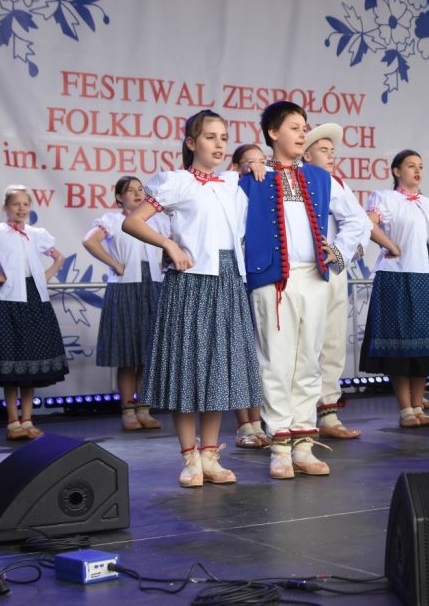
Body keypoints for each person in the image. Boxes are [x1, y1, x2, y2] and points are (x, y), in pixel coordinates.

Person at [123, 109, 262, 487]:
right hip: (191, 281)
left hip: (228, 278)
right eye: (210, 137)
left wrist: (257, 170)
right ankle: (189, 458)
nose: (218, 144)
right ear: (191, 142)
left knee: (219, 368)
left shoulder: (232, 183)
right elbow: (132, 221)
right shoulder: (178, 182)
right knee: (188, 368)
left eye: (223, 137)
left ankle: (211, 454)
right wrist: (169, 243)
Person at [242, 104, 370, 479]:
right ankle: (279, 445)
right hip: (273, 279)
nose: (302, 134)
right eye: (294, 128)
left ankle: (303, 443)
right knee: (277, 361)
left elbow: (357, 220)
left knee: (309, 360)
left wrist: (339, 254)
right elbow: (234, 229)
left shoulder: (319, 177)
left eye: (304, 128)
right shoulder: (254, 178)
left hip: (314, 276)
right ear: (272, 133)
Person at [0, 186, 68, 441]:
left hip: (34, 299)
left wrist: (45, 277)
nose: (21, 209)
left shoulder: (37, 234)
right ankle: (12, 421)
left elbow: (58, 257)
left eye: (25, 204)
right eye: (16, 204)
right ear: (6, 207)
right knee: (12, 364)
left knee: (30, 363)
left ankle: (28, 419)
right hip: (9, 299)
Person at [360, 149, 429, 428]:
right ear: (396, 171)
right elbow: (367, 223)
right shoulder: (385, 197)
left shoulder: (426, 202)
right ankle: (405, 409)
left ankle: (418, 404)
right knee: (401, 344)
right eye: (410, 165)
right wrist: (389, 244)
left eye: (420, 166)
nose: (417, 170)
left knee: (425, 343)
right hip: (399, 275)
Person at [299, 123, 372, 439]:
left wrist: (342, 252)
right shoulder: (295, 178)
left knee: (331, 339)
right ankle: (297, 416)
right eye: (324, 151)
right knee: (302, 342)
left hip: (332, 270)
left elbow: (362, 224)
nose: (330, 156)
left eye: (332, 151)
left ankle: (327, 412)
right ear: (307, 153)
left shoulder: (336, 183)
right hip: (301, 271)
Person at [82, 175, 169, 431]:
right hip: (125, 289)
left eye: (140, 189)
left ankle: (144, 408)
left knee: (146, 353)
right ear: (120, 196)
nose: (137, 193)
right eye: (130, 190)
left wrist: (165, 262)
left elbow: (169, 246)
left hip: (153, 287)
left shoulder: (157, 220)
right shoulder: (111, 220)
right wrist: (114, 264)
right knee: (127, 353)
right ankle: (127, 410)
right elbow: (89, 240)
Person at [221, 144, 273, 449]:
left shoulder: (264, 191)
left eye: (261, 161)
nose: (257, 167)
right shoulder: (229, 186)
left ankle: (259, 421)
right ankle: (245, 425)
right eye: (249, 162)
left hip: (258, 276)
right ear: (235, 165)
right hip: (233, 277)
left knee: (259, 353)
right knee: (238, 351)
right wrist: (244, 175)